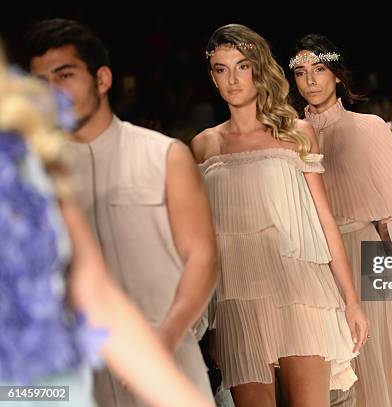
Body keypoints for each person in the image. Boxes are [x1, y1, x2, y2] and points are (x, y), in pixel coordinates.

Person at [0, 50, 212, 407]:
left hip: (68, 386)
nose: (53, 91)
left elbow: (97, 295)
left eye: (64, 75)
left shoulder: (30, 161)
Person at [191, 24, 368, 407]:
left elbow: (324, 220)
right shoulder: (204, 145)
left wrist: (351, 301)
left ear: (258, 70)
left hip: (299, 289)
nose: (233, 79)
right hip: (237, 299)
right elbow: (200, 239)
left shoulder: (296, 133)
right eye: (222, 69)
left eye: (242, 66)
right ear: (212, 76)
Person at [290, 33, 392, 407]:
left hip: (364, 254)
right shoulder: (288, 135)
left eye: (319, 70)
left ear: (336, 75)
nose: (311, 81)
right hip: (313, 262)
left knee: (375, 363)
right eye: (301, 73)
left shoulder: (369, 127)